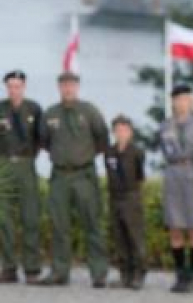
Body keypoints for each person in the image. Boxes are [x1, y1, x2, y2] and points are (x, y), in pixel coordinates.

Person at [36, 72, 109, 287]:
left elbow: (102, 138)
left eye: (71, 85)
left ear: (77, 87)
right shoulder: (50, 114)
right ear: (59, 87)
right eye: (64, 85)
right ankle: (60, 272)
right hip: (59, 175)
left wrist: (83, 157)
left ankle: (98, 273)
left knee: (92, 223)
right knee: (60, 225)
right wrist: (63, 157)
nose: (68, 89)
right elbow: (44, 141)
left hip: (84, 175)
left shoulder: (89, 111)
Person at [158, 84, 193, 293]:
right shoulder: (165, 126)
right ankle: (180, 274)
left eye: (185, 99)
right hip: (173, 175)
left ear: (191, 102)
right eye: (177, 99)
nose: (181, 103)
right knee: (175, 226)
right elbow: (164, 149)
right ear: (172, 102)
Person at [0, 70, 43, 284]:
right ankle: (8, 268)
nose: (13, 90)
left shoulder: (34, 109)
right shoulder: (0, 109)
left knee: (30, 217)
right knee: (5, 220)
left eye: (17, 86)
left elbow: (41, 138)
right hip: (5, 165)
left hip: (26, 165)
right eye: (10, 86)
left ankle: (32, 269)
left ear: (24, 87)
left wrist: (28, 158)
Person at [105, 115, 147, 290]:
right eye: (117, 130)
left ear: (130, 132)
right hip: (115, 196)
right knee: (119, 236)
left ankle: (139, 272)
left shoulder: (137, 151)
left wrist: (136, 195)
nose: (121, 133)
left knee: (134, 235)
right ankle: (125, 273)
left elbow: (140, 175)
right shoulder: (110, 152)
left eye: (124, 130)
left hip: (131, 195)